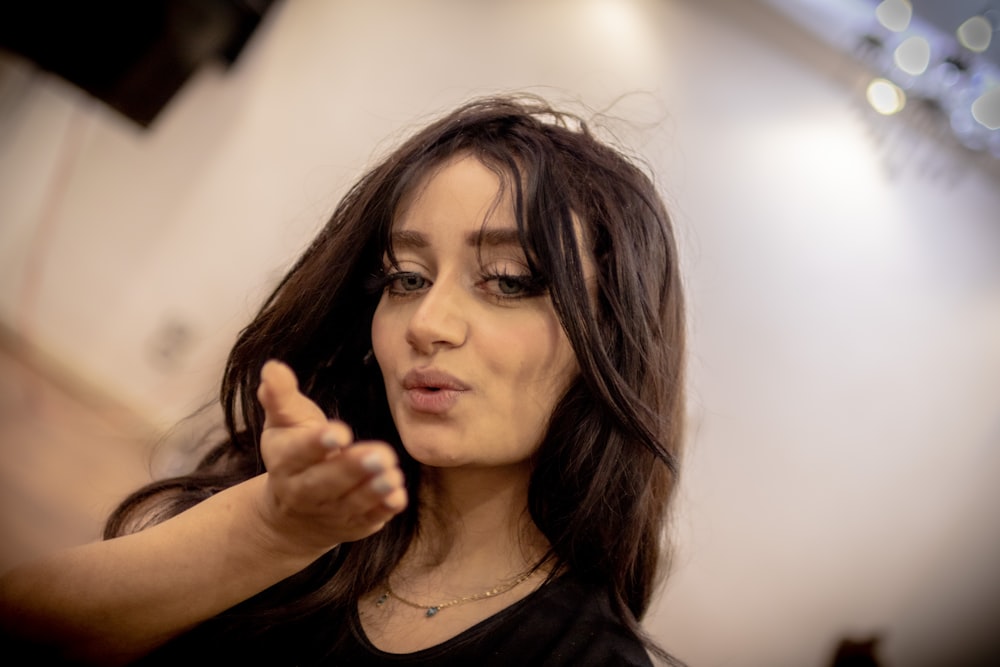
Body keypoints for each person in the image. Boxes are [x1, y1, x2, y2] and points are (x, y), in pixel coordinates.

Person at [0, 93, 687, 666]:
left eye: (508, 281)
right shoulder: (292, 504)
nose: (427, 321)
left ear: (614, 340)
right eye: (405, 278)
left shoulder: (585, 656)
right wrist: (270, 530)